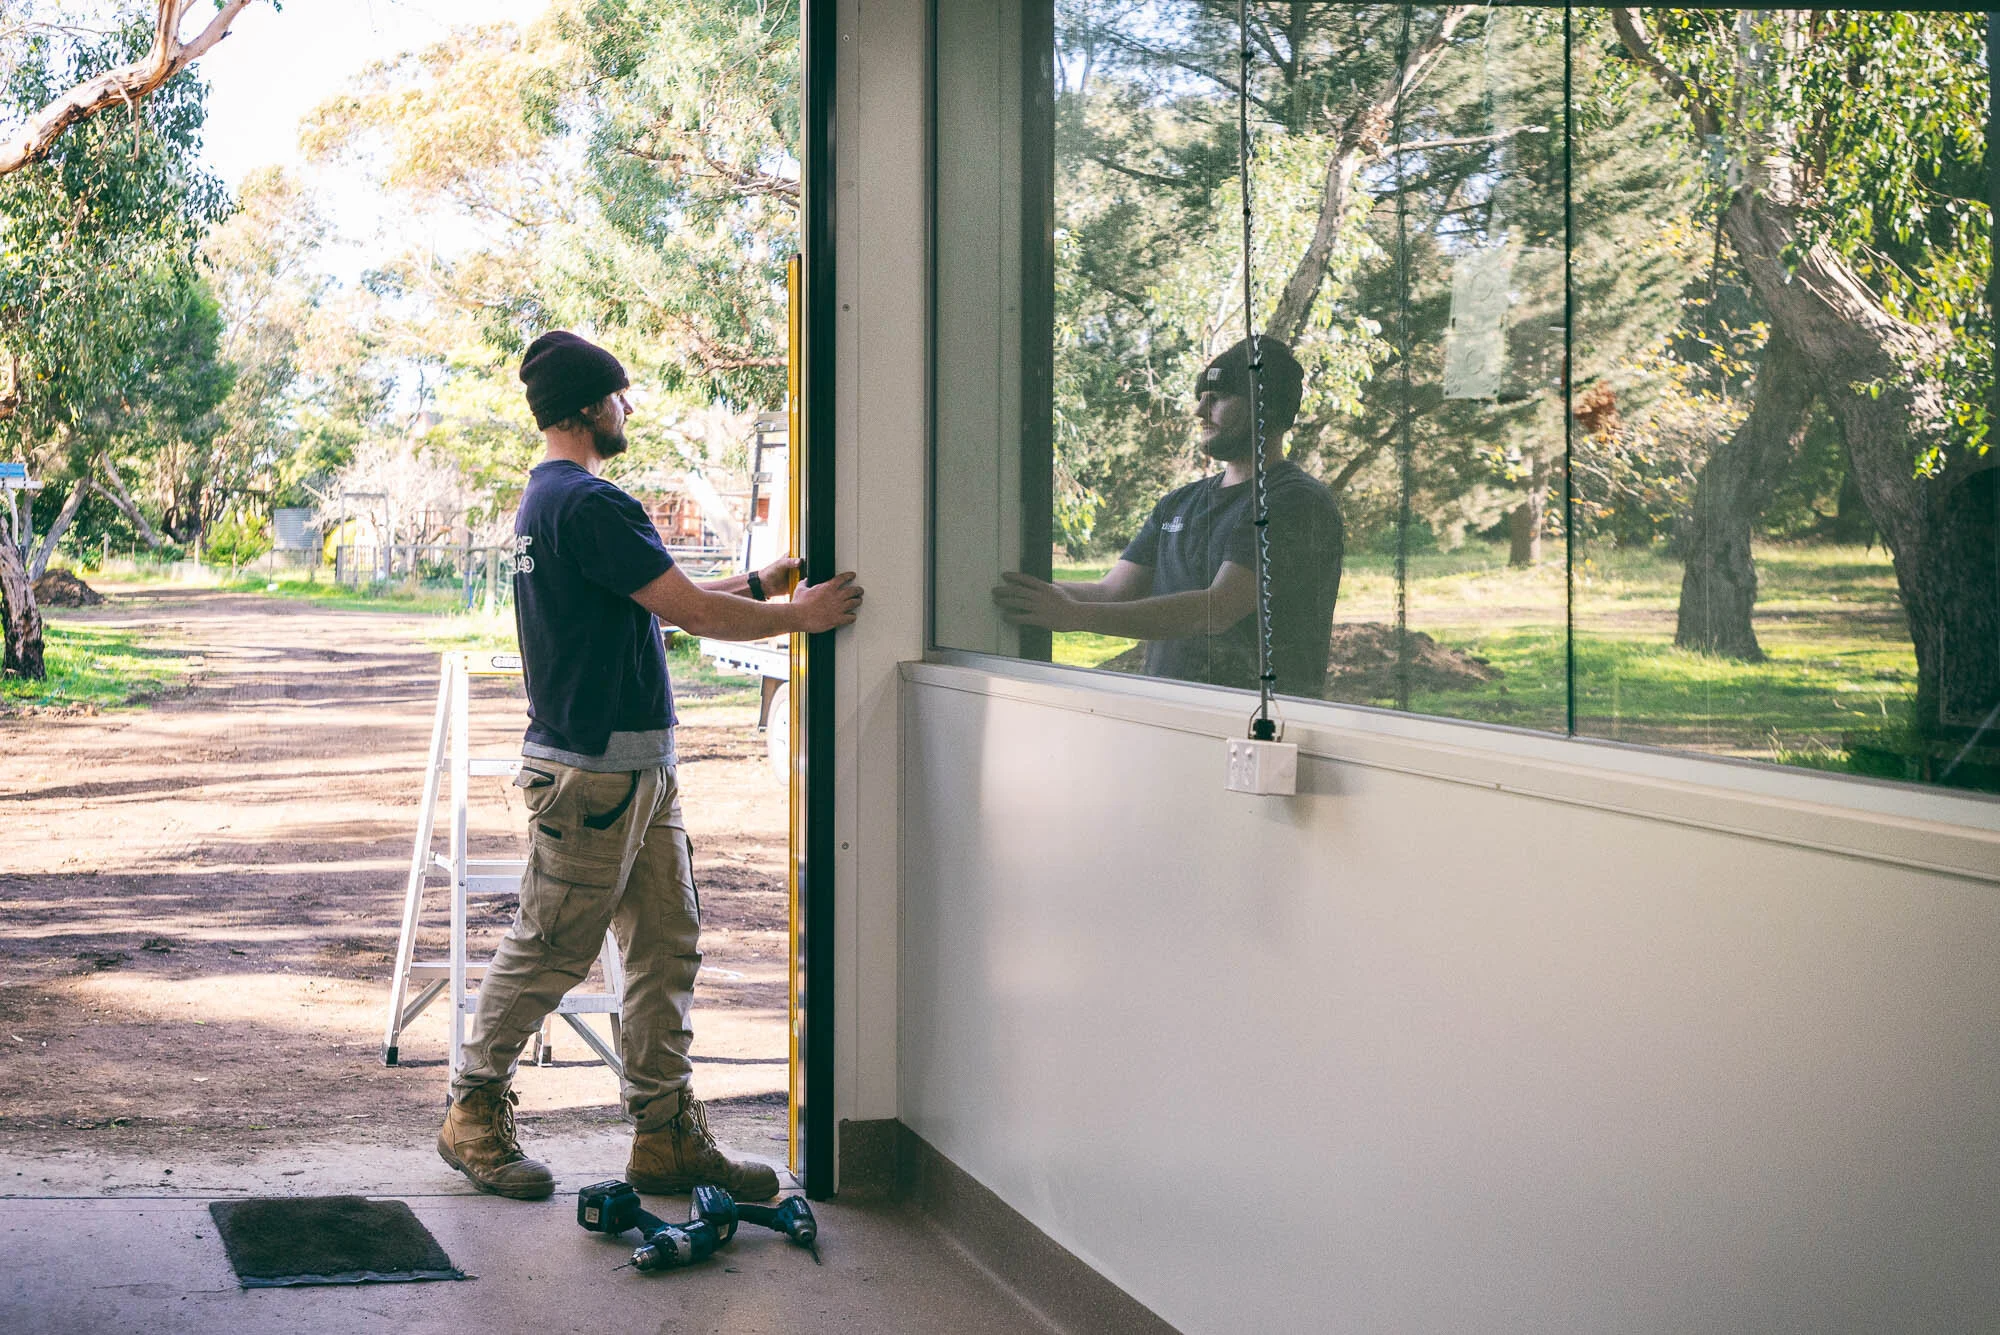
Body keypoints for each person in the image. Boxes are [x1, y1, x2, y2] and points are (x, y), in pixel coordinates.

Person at [437, 330, 862, 1202]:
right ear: (593, 406)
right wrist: (804, 617)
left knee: (665, 948)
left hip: (636, 774)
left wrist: (762, 583)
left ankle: (664, 1135)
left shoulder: (550, 502)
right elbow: (692, 618)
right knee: (551, 947)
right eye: (622, 397)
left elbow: (657, 611)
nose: (629, 409)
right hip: (591, 779)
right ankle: (472, 1111)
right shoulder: (590, 503)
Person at [994, 337, 1341, 695]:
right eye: (1201, 397)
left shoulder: (1295, 502)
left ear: (1264, 406)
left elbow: (1217, 609)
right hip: (1171, 714)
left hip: (1254, 723)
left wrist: (1075, 617)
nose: (1200, 411)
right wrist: (1017, 591)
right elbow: (1112, 591)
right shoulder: (1178, 504)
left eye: (1217, 398)